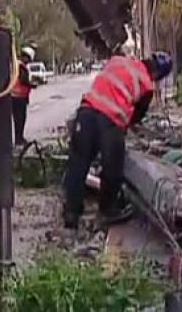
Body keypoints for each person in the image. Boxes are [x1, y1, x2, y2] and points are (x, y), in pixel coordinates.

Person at [62, 51, 173, 231]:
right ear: (159, 74)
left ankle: (71, 214)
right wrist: (125, 128)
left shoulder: (118, 60)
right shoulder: (147, 85)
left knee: (78, 164)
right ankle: (107, 210)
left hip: (86, 113)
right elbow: (136, 116)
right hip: (110, 122)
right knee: (112, 168)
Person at [12, 47, 38, 146]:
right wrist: (32, 85)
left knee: (18, 119)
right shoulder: (21, 67)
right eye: (29, 59)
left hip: (16, 97)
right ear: (26, 57)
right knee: (20, 119)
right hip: (19, 97)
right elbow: (23, 81)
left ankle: (19, 138)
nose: (29, 62)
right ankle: (19, 139)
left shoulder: (17, 65)